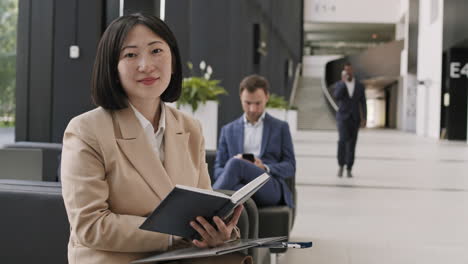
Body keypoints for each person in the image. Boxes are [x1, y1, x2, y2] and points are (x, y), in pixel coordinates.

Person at [60, 13, 249, 264]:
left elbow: (204, 206)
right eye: (130, 55)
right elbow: (90, 225)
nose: (146, 65)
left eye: (156, 51)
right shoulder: (86, 130)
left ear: (172, 59)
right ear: (112, 68)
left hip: (180, 256)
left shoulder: (190, 128)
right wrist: (173, 235)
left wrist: (217, 231)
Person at [213, 74, 295, 208]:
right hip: (239, 186)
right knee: (236, 172)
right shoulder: (228, 130)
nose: (253, 109)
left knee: (236, 163)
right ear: (241, 98)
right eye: (248, 103)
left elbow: (291, 166)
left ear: (267, 97)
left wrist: (264, 167)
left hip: (268, 185)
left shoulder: (280, 128)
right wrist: (232, 171)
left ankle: (208, 203)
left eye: (258, 103)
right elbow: (217, 170)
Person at [333, 62, 367, 178]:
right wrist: (343, 83)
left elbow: (363, 103)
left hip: (355, 118)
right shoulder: (339, 84)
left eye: (350, 70)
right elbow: (336, 96)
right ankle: (341, 165)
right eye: (346, 70)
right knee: (342, 141)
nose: (348, 72)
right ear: (344, 72)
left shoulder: (359, 86)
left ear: (353, 71)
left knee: (352, 144)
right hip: (342, 118)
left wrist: (364, 118)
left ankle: (349, 168)